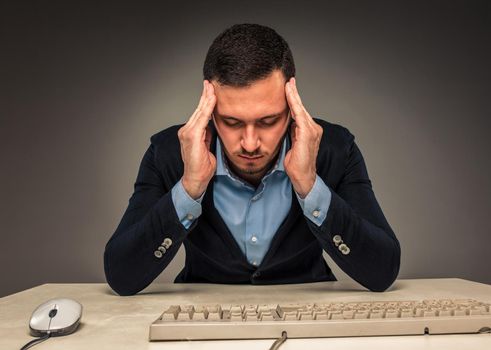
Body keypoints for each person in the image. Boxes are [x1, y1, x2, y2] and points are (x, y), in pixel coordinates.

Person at [103, 23, 401, 296]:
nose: (249, 143)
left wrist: (309, 185)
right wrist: (189, 187)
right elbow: (122, 276)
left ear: (291, 103)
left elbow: (382, 272)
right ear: (208, 108)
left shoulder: (334, 148)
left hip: (309, 318)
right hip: (202, 324)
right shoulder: (169, 152)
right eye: (231, 122)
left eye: (269, 120)